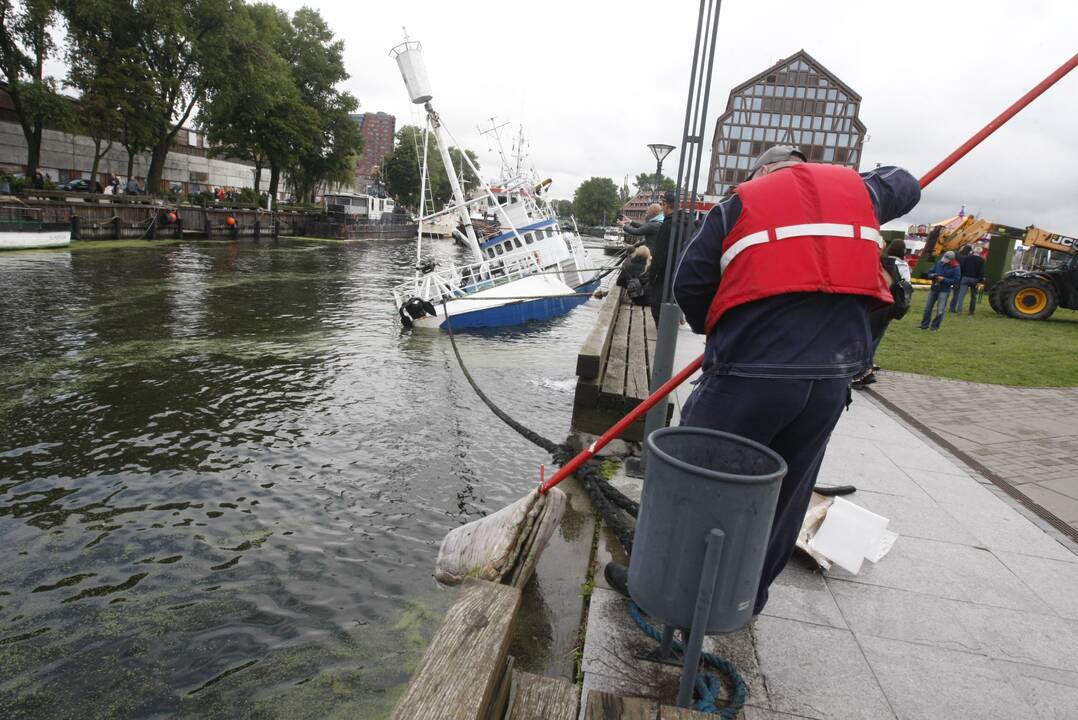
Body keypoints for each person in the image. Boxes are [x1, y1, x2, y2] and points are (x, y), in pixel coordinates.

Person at [611, 146, 920, 616]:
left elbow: (690, 284)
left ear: (762, 172)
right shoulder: (860, 192)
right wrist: (847, 181)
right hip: (829, 378)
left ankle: (660, 591)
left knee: (693, 480)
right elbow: (906, 182)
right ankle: (743, 600)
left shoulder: (739, 204)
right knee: (787, 495)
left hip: (747, 374)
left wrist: (722, 334)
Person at [853, 239, 913, 387]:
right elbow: (906, 285)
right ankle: (865, 367)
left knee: (864, 337)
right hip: (888, 305)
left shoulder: (878, 262)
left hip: (872, 305)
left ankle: (862, 369)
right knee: (874, 338)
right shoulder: (901, 266)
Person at [647, 190, 681, 324]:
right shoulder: (686, 223)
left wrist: (651, 277)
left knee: (657, 309)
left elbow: (659, 255)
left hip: (665, 276)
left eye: (663, 204)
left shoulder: (667, 226)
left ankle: (662, 339)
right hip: (679, 275)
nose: (662, 207)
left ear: (667, 205)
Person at [919, 250, 960, 330]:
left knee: (940, 310)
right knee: (927, 308)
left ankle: (935, 327)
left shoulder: (956, 267)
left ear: (952, 260)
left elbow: (956, 280)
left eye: (947, 259)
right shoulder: (939, 263)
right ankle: (924, 325)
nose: (944, 260)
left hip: (944, 290)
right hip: (934, 288)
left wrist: (944, 279)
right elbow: (930, 272)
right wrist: (933, 275)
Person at [950, 244, 986, 314]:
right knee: (974, 296)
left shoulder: (967, 258)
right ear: (980, 252)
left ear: (973, 251)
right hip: (975, 279)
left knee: (961, 295)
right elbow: (981, 271)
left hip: (965, 278)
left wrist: (961, 276)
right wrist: (980, 281)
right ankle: (971, 311)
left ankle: (959, 310)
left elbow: (962, 267)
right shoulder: (982, 260)